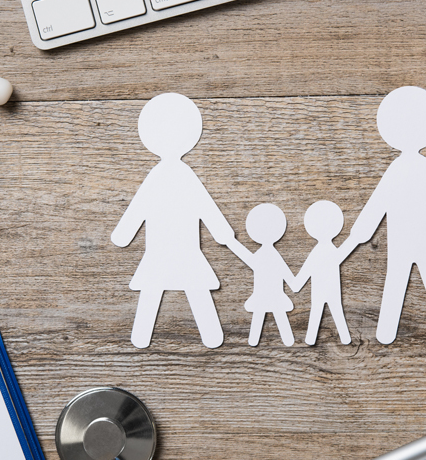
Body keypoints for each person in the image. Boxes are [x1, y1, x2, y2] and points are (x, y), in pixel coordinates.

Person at [341, 86, 426, 344]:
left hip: (412, 239)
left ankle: (391, 332)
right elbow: (382, 201)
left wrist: (362, 231)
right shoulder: (415, 167)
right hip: (413, 239)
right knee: (425, 275)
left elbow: (381, 202)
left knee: (407, 276)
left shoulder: (406, 168)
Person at [111, 93, 235, 349]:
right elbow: (143, 206)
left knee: (165, 285)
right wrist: (222, 232)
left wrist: (123, 234)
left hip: (176, 250)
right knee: (173, 285)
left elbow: (201, 205)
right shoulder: (174, 175)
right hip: (174, 250)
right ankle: (206, 336)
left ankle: (204, 337)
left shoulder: (171, 175)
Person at [227, 204, 296, 347]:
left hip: (268, 295)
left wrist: (231, 243)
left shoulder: (267, 256)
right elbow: (289, 278)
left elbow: (247, 258)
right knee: (272, 313)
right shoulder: (272, 256)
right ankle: (282, 340)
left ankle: (257, 341)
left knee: (265, 313)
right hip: (271, 295)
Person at [292, 200, 352, 345]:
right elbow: (344, 252)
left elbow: (305, 273)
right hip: (329, 291)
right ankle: (343, 338)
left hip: (323, 291)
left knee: (320, 311)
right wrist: (353, 240)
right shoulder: (330, 250)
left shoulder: (318, 252)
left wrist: (296, 284)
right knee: (334, 311)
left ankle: (313, 338)